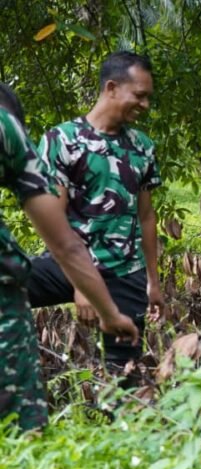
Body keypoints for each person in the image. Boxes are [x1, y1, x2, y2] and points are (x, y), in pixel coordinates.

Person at [0, 83, 139, 431]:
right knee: (19, 423)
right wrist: (107, 312)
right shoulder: (17, 132)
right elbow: (64, 243)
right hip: (53, 270)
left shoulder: (138, 147)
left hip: (118, 266)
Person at [28, 51, 163, 373]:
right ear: (112, 88)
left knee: (126, 374)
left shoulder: (143, 147)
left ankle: (122, 418)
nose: (145, 105)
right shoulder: (62, 140)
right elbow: (55, 220)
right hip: (66, 266)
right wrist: (83, 286)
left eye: (148, 98)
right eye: (140, 96)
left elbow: (146, 217)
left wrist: (153, 282)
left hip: (124, 271)